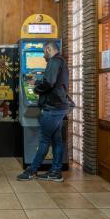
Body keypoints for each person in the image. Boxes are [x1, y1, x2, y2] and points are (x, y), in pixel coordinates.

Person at [17, 40, 70, 182]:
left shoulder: (53, 62)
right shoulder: (62, 61)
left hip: (52, 108)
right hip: (59, 107)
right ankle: (55, 172)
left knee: (44, 140)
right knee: (57, 140)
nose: (42, 56)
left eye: (43, 53)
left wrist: (36, 87)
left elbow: (49, 82)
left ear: (48, 49)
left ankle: (32, 170)